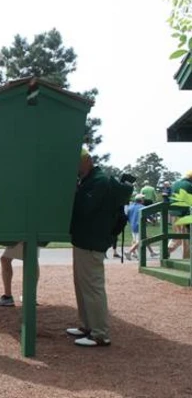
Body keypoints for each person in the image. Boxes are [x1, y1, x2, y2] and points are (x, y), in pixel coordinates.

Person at [67, 148, 131, 347]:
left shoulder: (99, 181)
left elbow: (85, 209)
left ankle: (100, 334)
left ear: (88, 161)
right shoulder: (88, 180)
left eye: (77, 162)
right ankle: (87, 325)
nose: (74, 167)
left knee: (93, 288)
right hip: (83, 241)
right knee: (82, 286)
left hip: (92, 242)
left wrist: (73, 194)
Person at [0, 242, 40, 307]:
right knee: (31, 259)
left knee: (5, 259)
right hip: (33, 234)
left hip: (23, 235)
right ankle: (29, 297)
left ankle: (8, 297)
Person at [124, 194, 158, 260]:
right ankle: (129, 252)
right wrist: (153, 220)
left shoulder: (130, 207)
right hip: (140, 226)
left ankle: (152, 252)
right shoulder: (142, 207)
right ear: (141, 200)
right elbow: (149, 216)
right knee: (140, 241)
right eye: (143, 198)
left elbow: (127, 217)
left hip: (133, 225)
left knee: (143, 238)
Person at [168, 172, 192, 258]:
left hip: (173, 213)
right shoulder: (190, 185)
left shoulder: (175, 184)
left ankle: (168, 249)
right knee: (186, 238)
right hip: (184, 214)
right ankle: (185, 259)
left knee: (178, 235)